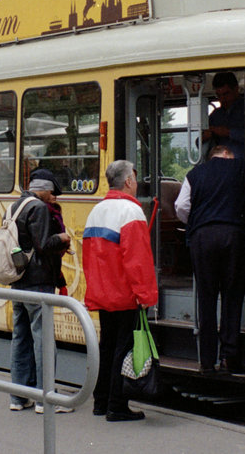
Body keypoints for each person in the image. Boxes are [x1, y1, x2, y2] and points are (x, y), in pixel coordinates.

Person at [80, 160, 158, 422]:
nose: (136, 182)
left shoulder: (97, 211)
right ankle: (117, 405)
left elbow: (89, 258)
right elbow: (138, 261)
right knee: (123, 348)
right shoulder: (131, 212)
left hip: (102, 292)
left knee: (107, 345)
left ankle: (100, 402)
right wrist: (146, 296)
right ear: (128, 182)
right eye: (134, 178)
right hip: (125, 294)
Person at [174, 145, 245, 373]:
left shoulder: (194, 174)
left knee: (206, 298)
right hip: (233, 235)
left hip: (202, 238)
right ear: (226, 153)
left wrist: (197, 223)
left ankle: (207, 360)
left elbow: (181, 206)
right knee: (232, 297)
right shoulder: (241, 167)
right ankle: (229, 356)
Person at [8, 168, 73, 414]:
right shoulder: (39, 208)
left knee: (21, 338)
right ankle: (46, 398)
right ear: (43, 188)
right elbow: (44, 245)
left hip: (18, 280)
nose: (55, 196)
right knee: (43, 339)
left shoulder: (16, 206)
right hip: (39, 282)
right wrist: (63, 237)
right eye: (53, 192)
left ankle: (18, 396)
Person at [203, 71, 245, 157]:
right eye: (218, 95)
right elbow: (200, 144)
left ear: (236, 89)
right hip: (220, 166)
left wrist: (228, 132)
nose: (222, 99)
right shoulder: (215, 115)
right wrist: (204, 137)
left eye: (226, 94)